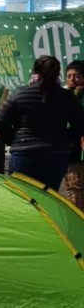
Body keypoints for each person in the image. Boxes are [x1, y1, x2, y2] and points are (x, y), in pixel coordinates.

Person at [0, 56, 83, 191]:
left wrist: (11, 139)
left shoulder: (19, 93)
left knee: (22, 197)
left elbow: (1, 122)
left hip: (24, 155)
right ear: (58, 74)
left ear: (35, 71)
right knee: (48, 197)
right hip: (56, 156)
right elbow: (80, 124)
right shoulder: (68, 97)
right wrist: (67, 140)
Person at [65, 60, 84, 209]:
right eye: (69, 76)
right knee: (72, 188)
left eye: (76, 76)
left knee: (77, 187)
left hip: (80, 152)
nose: (72, 80)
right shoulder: (65, 96)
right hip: (69, 150)